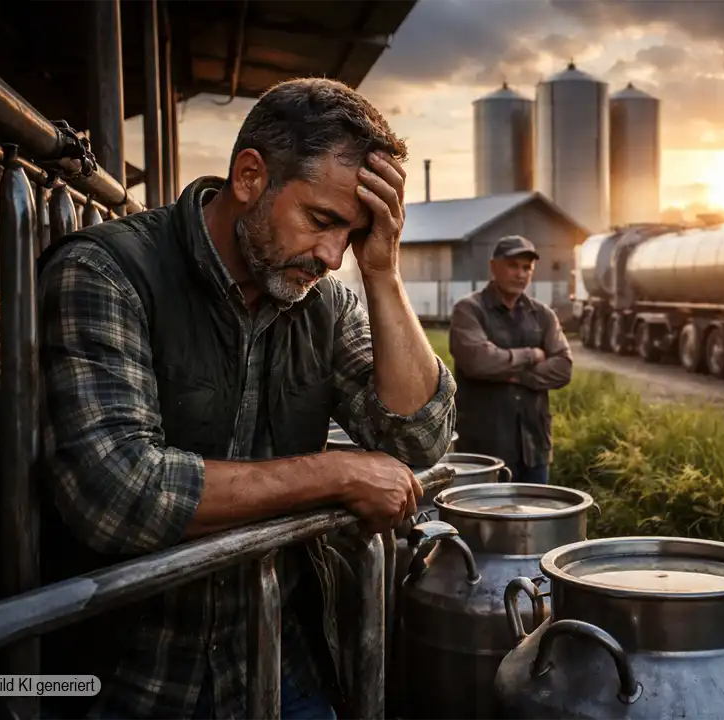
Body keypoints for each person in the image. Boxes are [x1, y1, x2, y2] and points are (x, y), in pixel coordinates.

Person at [35, 77, 455, 719]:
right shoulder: (106, 271)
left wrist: (383, 271)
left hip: (282, 662)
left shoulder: (327, 299)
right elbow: (116, 493)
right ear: (251, 176)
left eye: (353, 234)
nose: (331, 254)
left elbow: (418, 439)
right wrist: (334, 472)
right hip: (134, 679)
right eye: (322, 220)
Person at [447, 236, 573, 484]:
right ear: (494, 267)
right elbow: (478, 361)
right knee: (481, 520)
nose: (520, 274)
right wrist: (532, 355)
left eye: (527, 268)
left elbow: (563, 368)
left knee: (533, 519)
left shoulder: (543, 315)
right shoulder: (469, 310)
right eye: (513, 265)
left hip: (533, 447)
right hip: (482, 449)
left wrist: (516, 375)